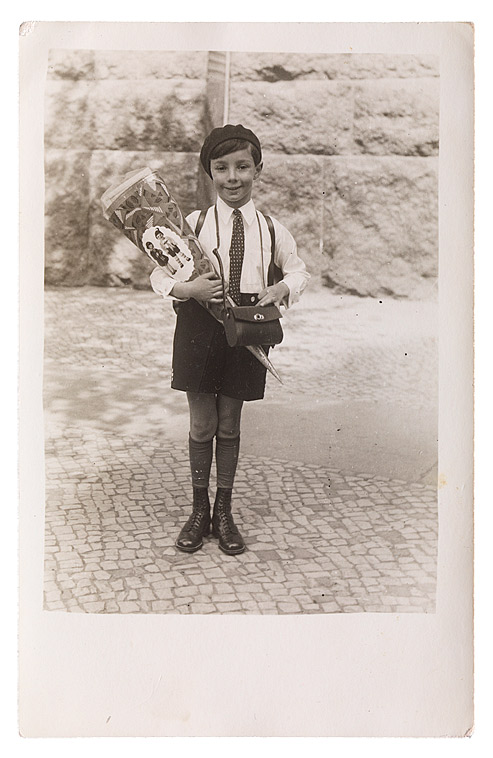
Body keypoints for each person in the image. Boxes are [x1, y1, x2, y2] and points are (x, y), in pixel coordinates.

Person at [150, 124, 310, 555]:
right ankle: (199, 510)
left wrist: (282, 289)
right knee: (202, 424)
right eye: (222, 168)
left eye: (242, 167)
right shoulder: (192, 224)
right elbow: (159, 274)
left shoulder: (272, 229)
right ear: (210, 173)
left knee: (229, 423)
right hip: (200, 328)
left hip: (246, 328)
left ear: (258, 169)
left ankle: (225, 511)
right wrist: (190, 290)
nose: (233, 177)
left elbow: (298, 271)